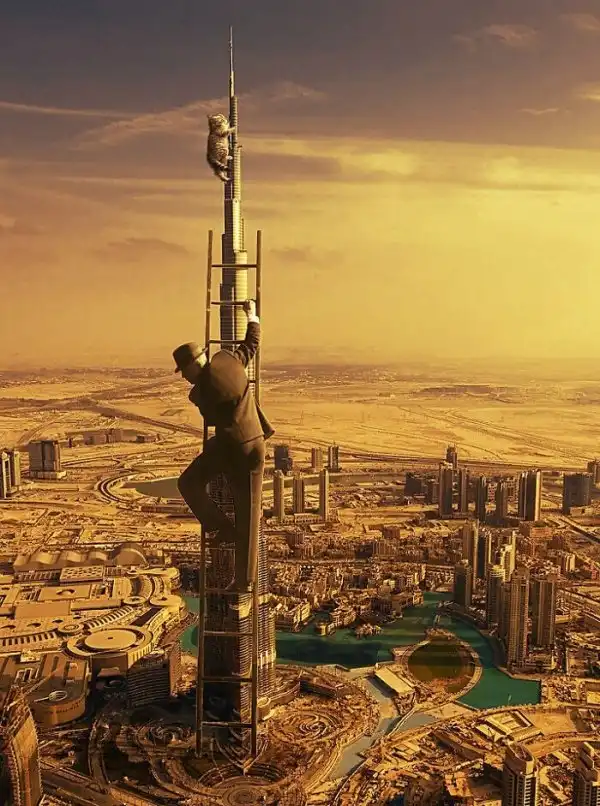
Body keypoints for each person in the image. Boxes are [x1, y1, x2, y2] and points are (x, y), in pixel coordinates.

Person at [173, 300, 274, 595]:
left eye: (184, 371)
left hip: (235, 449)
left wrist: (196, 395)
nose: (185, 377)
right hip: (252, 442)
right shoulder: (229, 360)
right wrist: (252, 316)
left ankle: (224, 534)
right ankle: (241, 571)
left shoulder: (205, 391)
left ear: (193, 365)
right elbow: (251, 344)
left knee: (190, 484)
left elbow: (211, 415)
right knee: (248, 514)